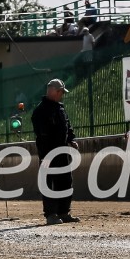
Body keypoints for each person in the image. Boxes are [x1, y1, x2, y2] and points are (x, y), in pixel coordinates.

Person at [31, 79, 80, 225]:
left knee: (65, 181)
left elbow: (67, 126)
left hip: (62, 152)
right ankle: (51, 214)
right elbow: (42, 134)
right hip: (48, 154)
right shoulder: (40, 111)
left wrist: (71, 139)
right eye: (60, 92)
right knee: (50, 184)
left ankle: (64, 212)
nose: (61, 95)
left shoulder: (60, 108)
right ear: (53, 91)